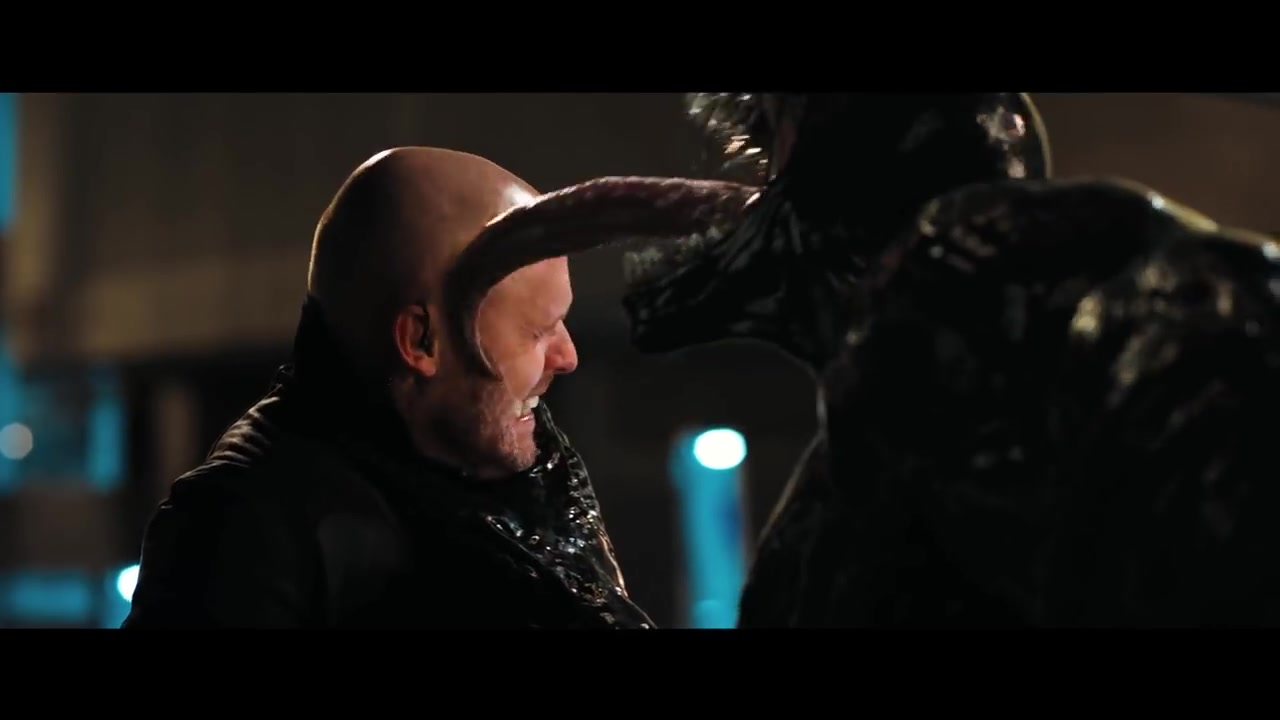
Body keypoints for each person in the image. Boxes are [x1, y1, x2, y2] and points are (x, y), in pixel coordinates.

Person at [122, 146, 655, 628]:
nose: (567, 356)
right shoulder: (241, 535)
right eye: (538, 331)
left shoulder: (505, 466)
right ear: (421, 340)